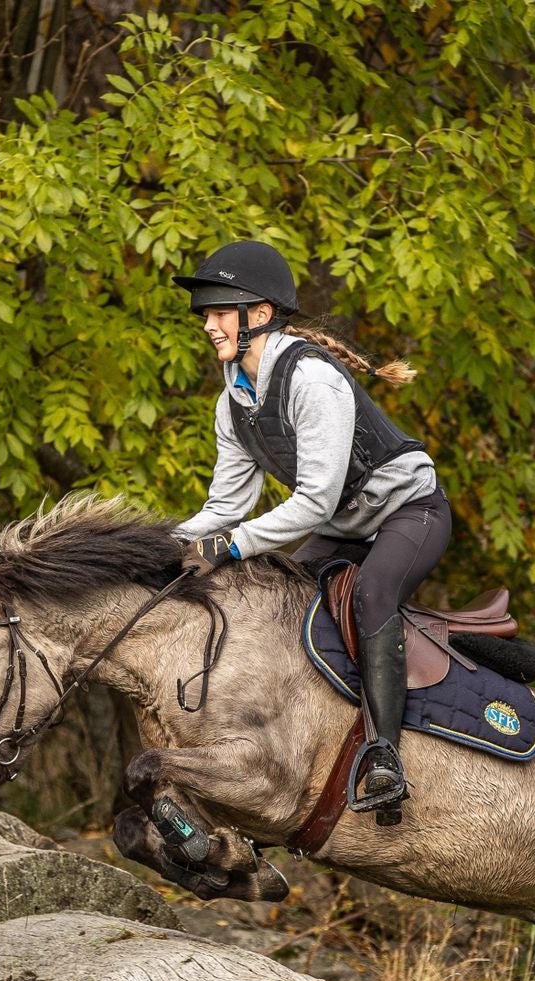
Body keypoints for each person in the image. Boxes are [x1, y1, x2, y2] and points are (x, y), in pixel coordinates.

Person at [171, 240, 449, 819]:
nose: (209, 325)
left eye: (221, 311)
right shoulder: (234, 403)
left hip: (410, 513)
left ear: (261, 316)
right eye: (207, 314)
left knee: (373, 595)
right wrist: (163, 546)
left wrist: (230, 545)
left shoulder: (313, 381)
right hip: (347, 525)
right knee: (284, 596)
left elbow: (314, 501)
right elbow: (225, 505)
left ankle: (385, 757)